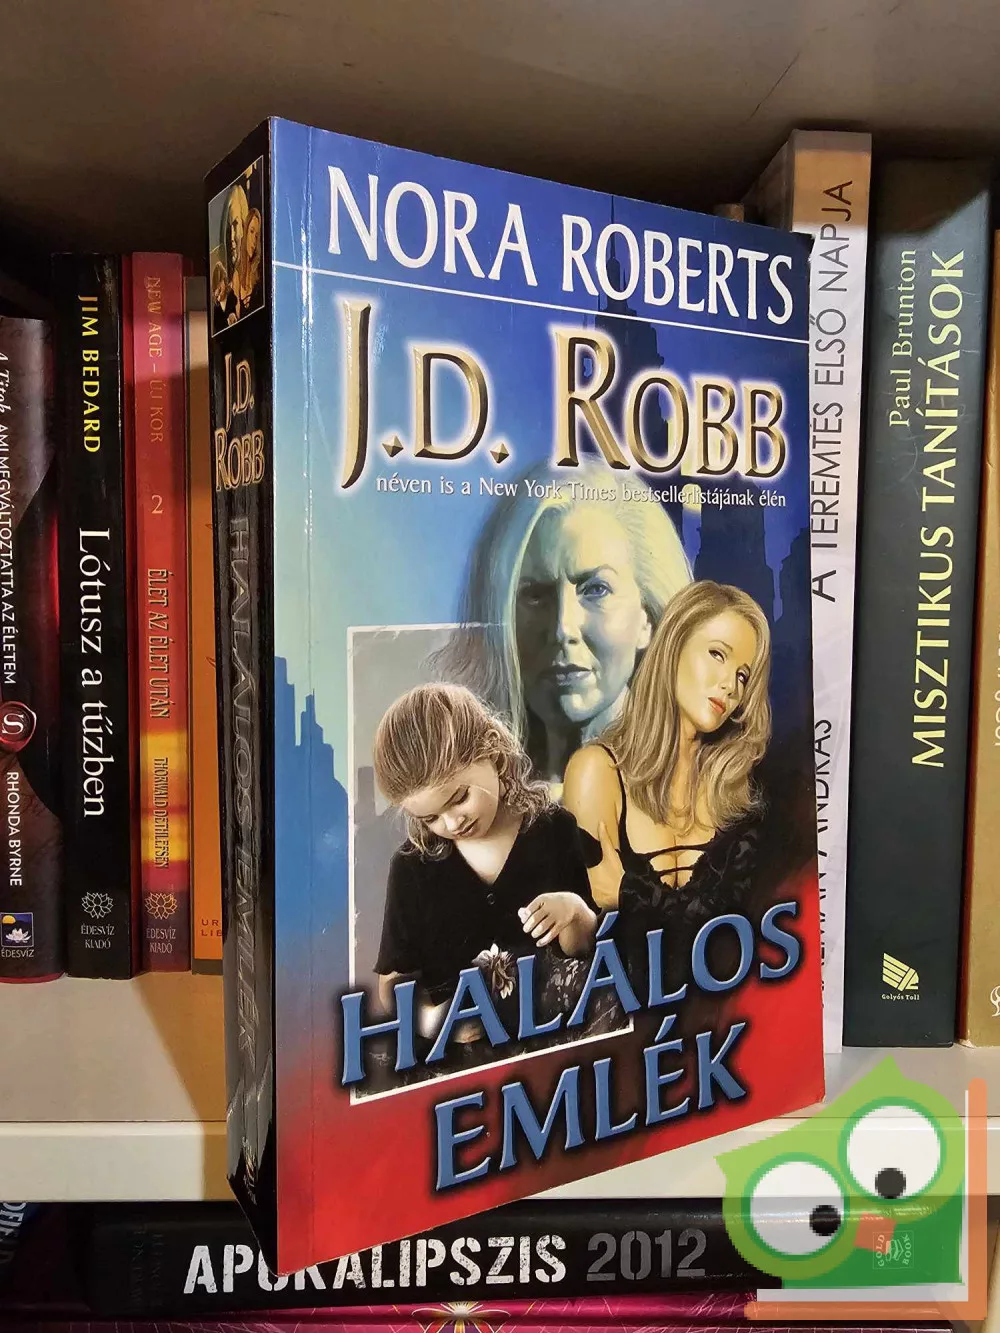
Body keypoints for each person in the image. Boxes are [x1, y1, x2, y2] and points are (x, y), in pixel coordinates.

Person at [372, 683, 598, 1059]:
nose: (452, 822)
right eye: (430, 818)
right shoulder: (410, 868)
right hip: (461, 1060)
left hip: (553, 1041)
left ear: (492, 751)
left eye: (459, 798)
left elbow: (588, 951)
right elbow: (393, 980)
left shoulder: (555, 829)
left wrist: (574, 912)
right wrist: (433, 1021)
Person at [437, 462, 691, 794]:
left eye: (596, 589)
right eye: (535, 595)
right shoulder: (469, 793)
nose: (562, 628)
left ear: (648, 620)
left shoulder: (694, 785)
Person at [563, 581, 772, 979]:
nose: (730, 686)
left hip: (722, 1008)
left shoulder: (739, 789)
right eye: (717, 654)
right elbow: (591, 940)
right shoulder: (596, 773)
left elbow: (736, 938)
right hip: (629, 1009)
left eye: (743, 676)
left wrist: (627, 891)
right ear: (674, 646)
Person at [237, 207, 263, 314]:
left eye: (256, 236)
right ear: (245, 232)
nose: (254, 241)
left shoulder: (258, 277)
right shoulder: (236, 275)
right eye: (251, 232)